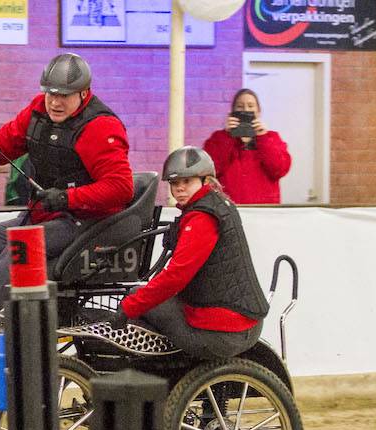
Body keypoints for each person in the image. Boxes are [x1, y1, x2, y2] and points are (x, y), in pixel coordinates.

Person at [0, 52, 133, 311]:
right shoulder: (38, 110)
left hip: (88, 223)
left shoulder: (100, 128)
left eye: (63, 96)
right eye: (50, 94)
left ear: (83, 93)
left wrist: (67, 198)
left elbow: (121, 188)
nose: (54, 102)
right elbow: (4, 141)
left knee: (22, 244)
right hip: (47, 217)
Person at [112, 146, 268, 360]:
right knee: (144, 297)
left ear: (206, 180)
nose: (180, 189)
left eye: (187, 181)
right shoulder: (218, 204)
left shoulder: (202, 218)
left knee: (135, 299)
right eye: (174, 183)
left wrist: (129, 307)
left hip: (223, 332)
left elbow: (176, 276)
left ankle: (145, 370)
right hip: (241, 320)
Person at [201, 88, 291, 204]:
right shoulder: (219, 138)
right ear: (232, 112)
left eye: (250, 106)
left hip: (265, 209)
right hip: (227, 208)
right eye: (240, 106)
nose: (245, 110)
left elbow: (279, 170)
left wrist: (263, 138)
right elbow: (210, 170)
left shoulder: (271, 138)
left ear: (258, 111)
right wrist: (227, 136)